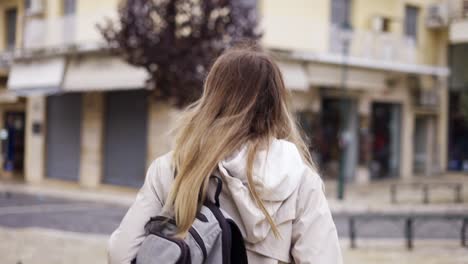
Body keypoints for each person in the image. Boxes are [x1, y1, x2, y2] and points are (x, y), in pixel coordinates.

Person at [108, 46, 343, 264]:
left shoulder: (172, 168)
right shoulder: (300, 180)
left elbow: (120, 254)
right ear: (276, 104)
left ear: (212, 98)